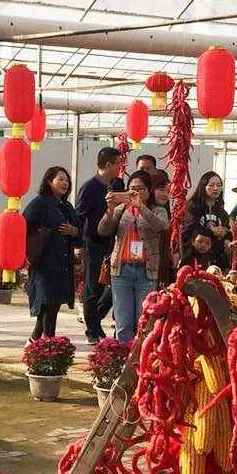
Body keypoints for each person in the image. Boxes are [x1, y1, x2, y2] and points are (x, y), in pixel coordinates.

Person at [98, 170, 167, 343]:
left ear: (149, 192)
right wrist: (109, 210)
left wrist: (140, 207)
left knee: (143, 319)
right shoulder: (121, 209)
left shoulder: (158, 210)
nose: (135, 192)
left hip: (147, 271)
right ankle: (124, 355)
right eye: (132, 189)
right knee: (123, 321)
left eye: (141, 189)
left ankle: (141, 355)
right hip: (121, 270)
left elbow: (161, 226)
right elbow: (103, 230)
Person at [74, 146, 124, 343]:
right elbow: (79, 216)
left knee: (112, 286)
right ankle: (92, 330)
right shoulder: (89, 187)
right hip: (94, 243)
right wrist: (78, 244)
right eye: (118, 163)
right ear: (108, 164)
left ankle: (95, 321)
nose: (120, 167)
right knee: (93, 286)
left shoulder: (117, 185)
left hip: (114, 242)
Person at [22, 166, 79, 339]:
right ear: (49, 181)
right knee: (47, 303)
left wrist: (74, 231)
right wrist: (22, 254)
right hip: (44, 263)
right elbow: (22, 226)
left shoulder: (67, 206)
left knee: (52, 305)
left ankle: (35, 341)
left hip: (62, 264)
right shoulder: (39, 203)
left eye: (67, 180)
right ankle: (48, 343)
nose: (65, 183)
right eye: (60, 179)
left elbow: (80, 231)